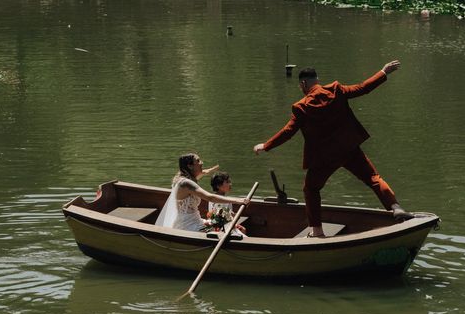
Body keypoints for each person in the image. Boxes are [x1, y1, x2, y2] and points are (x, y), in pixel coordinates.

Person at [253, 60, 413, 238]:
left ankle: (317, 231)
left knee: (311, 190)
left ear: (303, 84)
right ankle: (395, 207)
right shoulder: (336, 90)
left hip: (324, 158)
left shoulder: (301, 106)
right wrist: (383, 72)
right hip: (349, 149)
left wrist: (266, 146)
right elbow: (363, 88)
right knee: (373, 178)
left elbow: (288, 132)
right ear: (317, 80)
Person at [155, 154, 249, 231]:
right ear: (190, 166)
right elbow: (209, 197)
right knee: (224, 230)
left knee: (228, 228)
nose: (202, 163)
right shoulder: (185, 183)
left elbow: (204, 172)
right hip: (187, 225)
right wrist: (238, 200)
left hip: (197, 220)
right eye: (198, 161)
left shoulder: (190, 178)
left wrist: (212, 169)